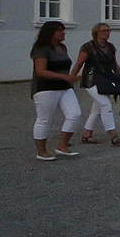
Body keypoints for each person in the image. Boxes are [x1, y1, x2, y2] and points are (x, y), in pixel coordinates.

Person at [29, 21, 85, 161]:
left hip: (64, 87)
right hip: (46, 88)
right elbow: (40, 71)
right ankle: (41, 151)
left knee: (74, 114)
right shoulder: (41, 49)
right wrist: (65, 76)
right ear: (51, 33)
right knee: (44, 119)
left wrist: (70, 78)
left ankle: (62, 145)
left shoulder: (62, 47)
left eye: (63, 30)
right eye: (60, 30)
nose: (63, 33)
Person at [76, 22, 120, 145]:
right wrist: (71, 77)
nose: (107, 33)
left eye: (108, 30)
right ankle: (113, 135)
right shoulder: (88, 47)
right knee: (105, 104)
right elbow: (79, 63)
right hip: (91, 80)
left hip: (104, 80)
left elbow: (114, 64)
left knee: (97, 108)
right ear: (96, 33)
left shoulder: (110, 47)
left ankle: (87, 135)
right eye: (104, 30)